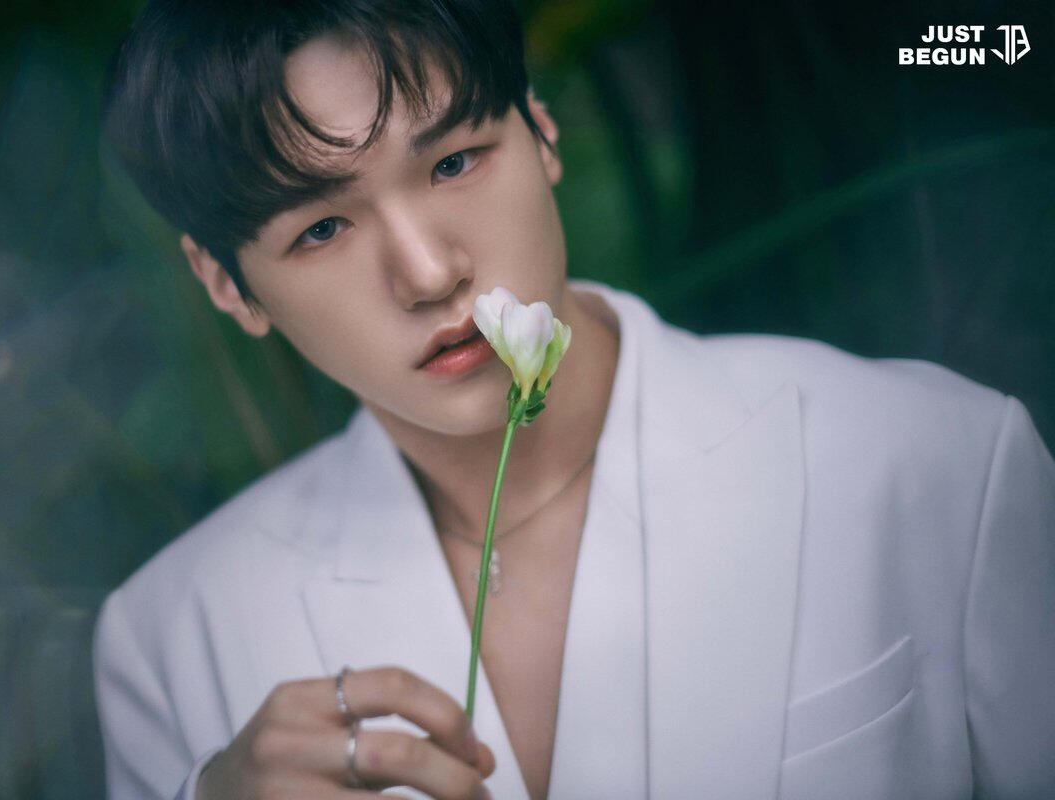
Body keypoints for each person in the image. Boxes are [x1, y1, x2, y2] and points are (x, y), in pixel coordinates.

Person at [92, 1, 1055, 798]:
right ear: (227, 286)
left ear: (541, 131)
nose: (428, 273)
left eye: (455, 162)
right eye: (322, 229)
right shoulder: (173, 636)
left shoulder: (928, 460)